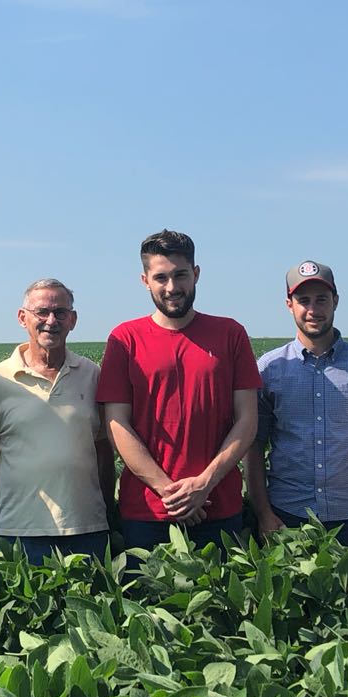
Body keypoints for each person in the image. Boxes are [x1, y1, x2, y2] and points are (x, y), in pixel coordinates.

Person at [96, 229, 260, 551]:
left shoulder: (230, 333)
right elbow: (116, 424)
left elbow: (247, 420)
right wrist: (170, 491)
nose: (172, 288)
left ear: (196, 274)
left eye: (180, 275)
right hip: (147, 511)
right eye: (161, 278)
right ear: (145, 280)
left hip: (219, 506)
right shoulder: (124, 339)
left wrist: (204, 484)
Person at [243, 261, 348, 549]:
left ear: (336, 301)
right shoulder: (268, 369)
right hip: (287, 517)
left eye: (322, 299)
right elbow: (253, 448)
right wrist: (263, 514)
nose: (313, 309)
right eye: (303, 300)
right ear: (289, 305)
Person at [0, 279, 114, 563]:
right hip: (19, 531)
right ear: (23, 318)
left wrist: (108, 512)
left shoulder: (92, 374)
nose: (51, 320)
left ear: (72, 320)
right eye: (42, 312)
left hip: (87, 528)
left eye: (60, 312)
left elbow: (103, 452)